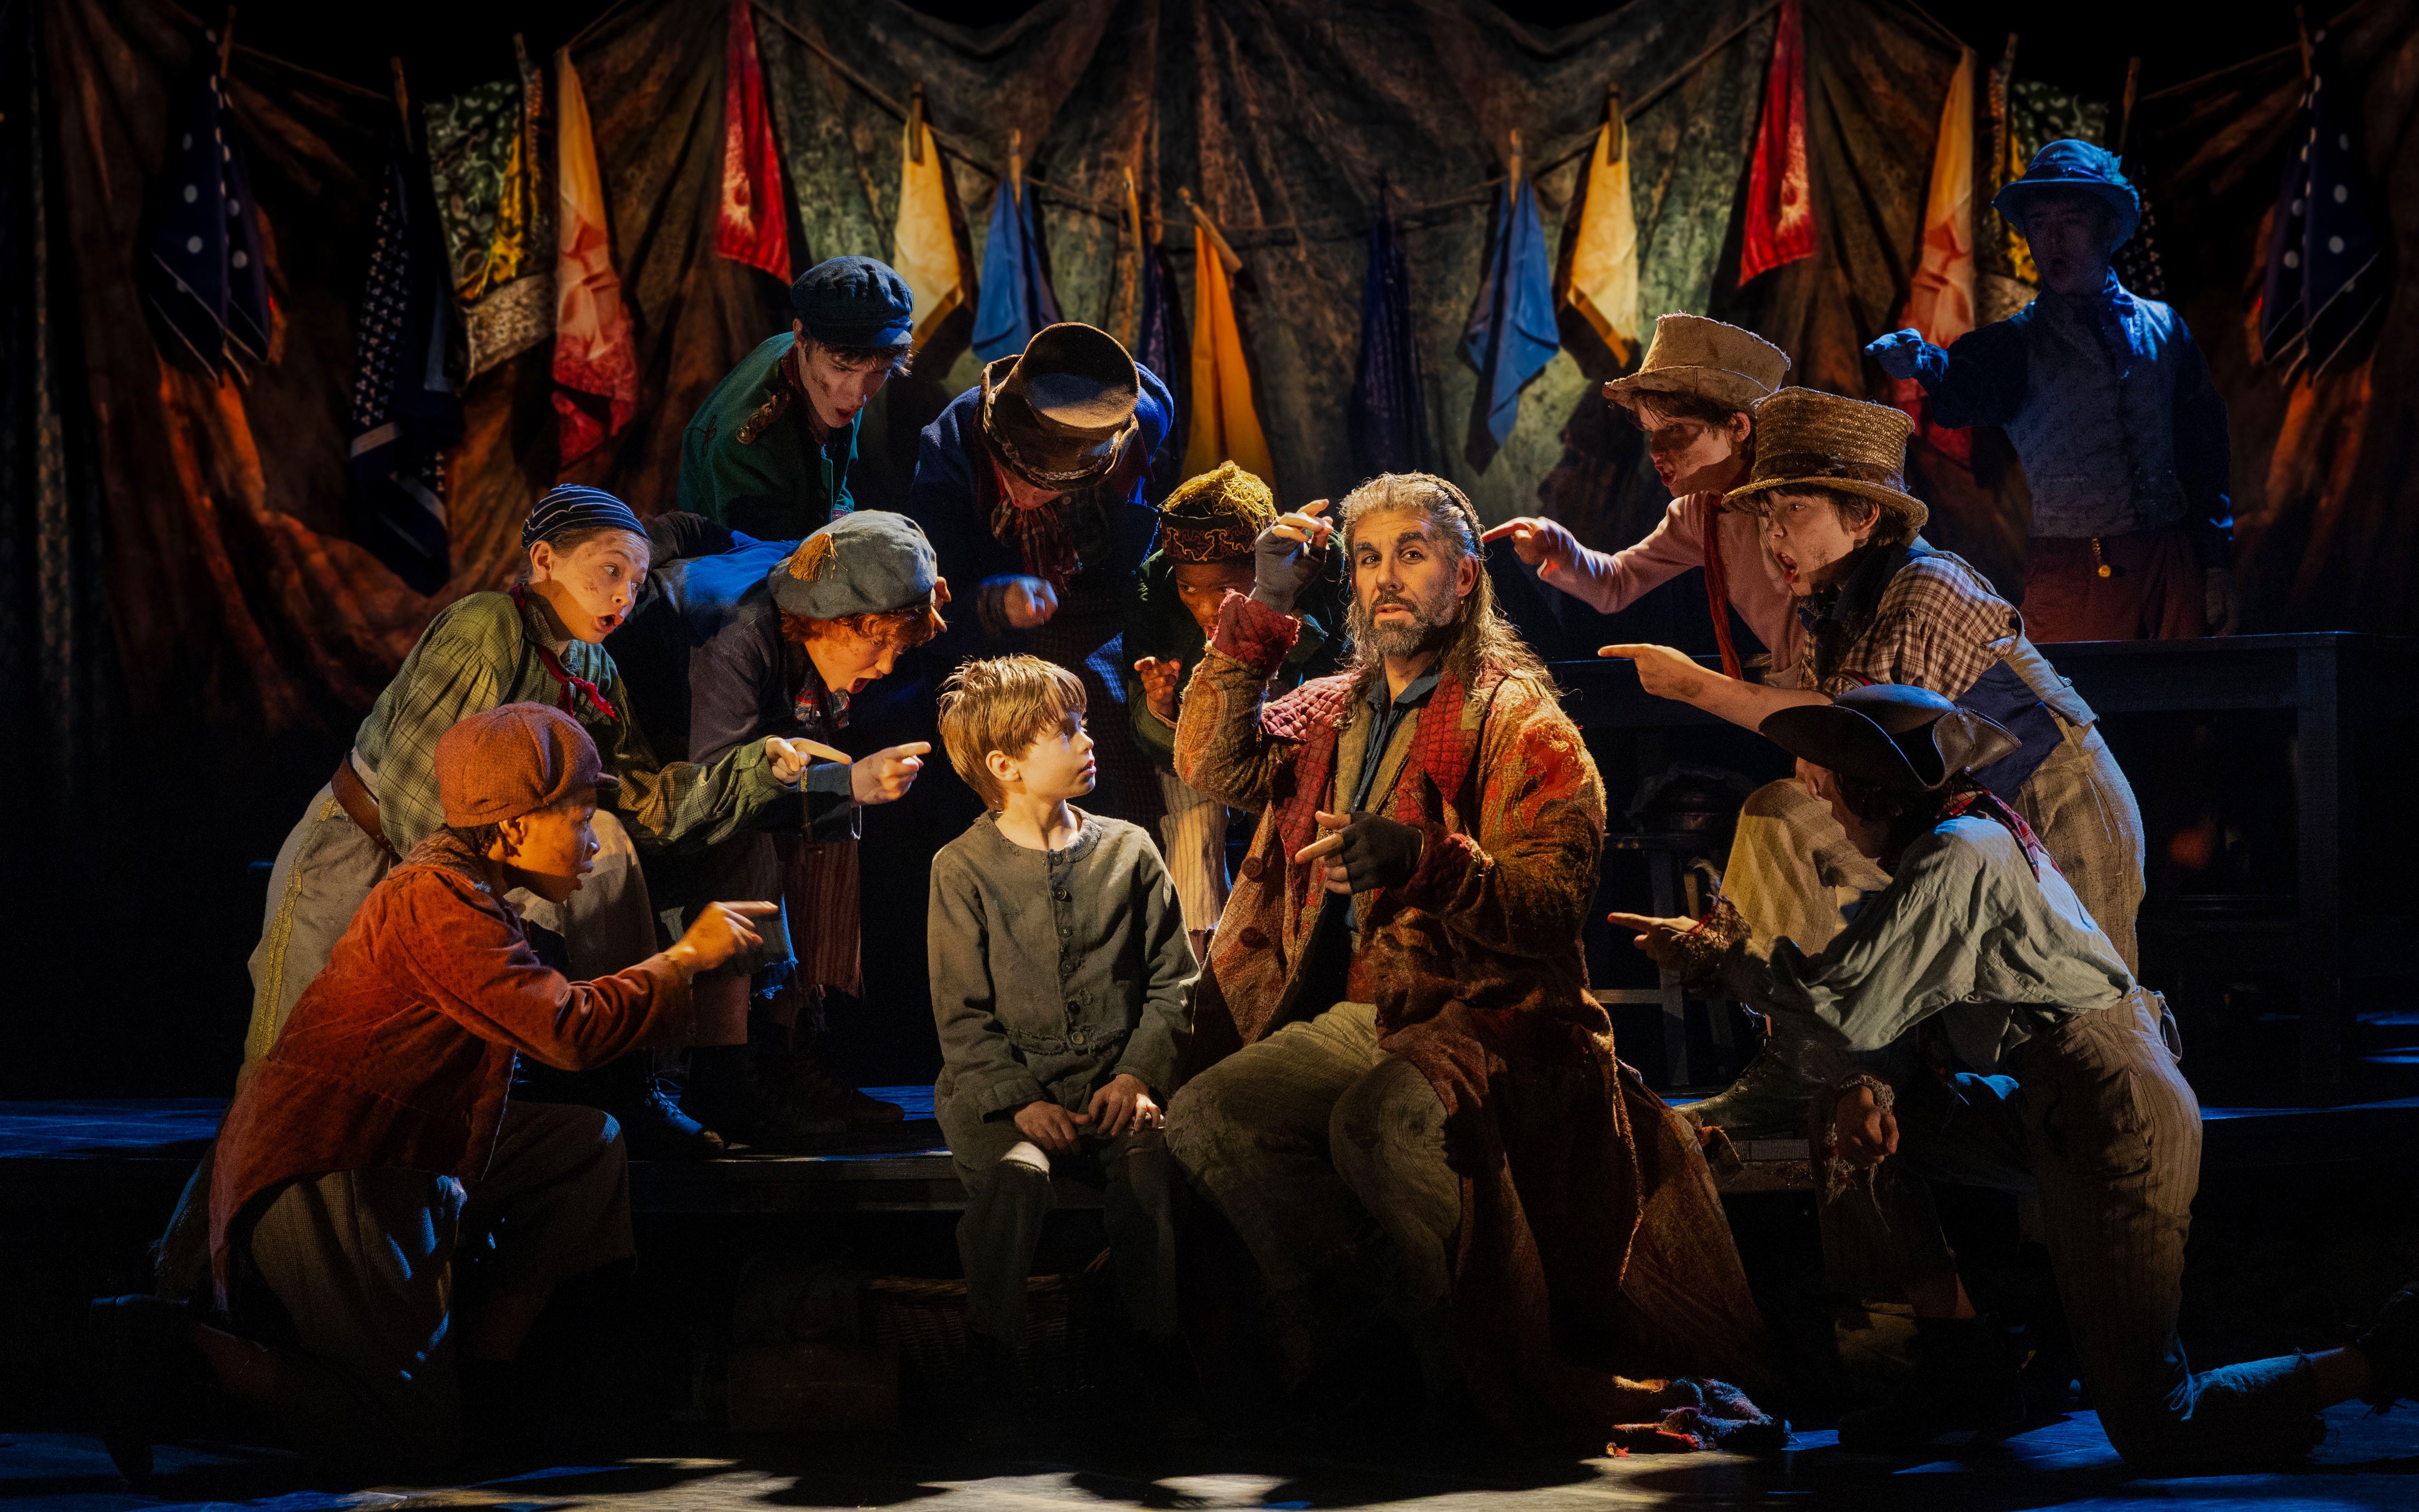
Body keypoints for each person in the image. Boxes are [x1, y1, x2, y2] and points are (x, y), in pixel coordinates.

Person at [1611, 684, 2419, 1470]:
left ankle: (2384, 1354)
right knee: (1863, 1115)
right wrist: (1870, 1085)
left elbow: (1850, 1002)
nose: (1824, 806)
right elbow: (1896, 999)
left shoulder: (1958, 858)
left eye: (1834, 790)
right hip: (2057, 1098)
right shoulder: (1960, 835)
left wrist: (1720, 953)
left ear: (1878, 795)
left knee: (2155, 1422)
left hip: (2113, 1109)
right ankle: (1961, 1361)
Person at [1161, 473, 1777, 1449]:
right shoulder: (1335, 709)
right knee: (1206, 1117)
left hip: (1500, 1014)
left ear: (1463, 577)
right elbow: (1209, 762)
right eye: (1366, 559)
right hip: (1370, 1010)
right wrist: (1267, 601)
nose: (1384, 580)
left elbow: (1546, 909)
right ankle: (1362, 1348)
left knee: (1380, 1126)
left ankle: (1480, 1369)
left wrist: (1423, 859)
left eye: (1411, 554)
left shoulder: (1524, 725)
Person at [94, 704, 778, 1482]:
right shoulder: (436, 900)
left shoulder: (475, 890)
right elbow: (564, 1028)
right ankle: (177, 1348)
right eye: (581, 816)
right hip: (337, 1160)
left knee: (586, 1144)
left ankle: (486, 1376)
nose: (594, 838)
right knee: (409, 1439)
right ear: (513, 825)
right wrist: (683, 960)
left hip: (404, 1138)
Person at [1602, 389, 2149, 1134]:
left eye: (1794, 510)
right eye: (1765, 516)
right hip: (1961, 830)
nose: (1774, 537)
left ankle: (2058, 1217)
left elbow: (1847, 736)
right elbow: (1830, 777)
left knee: (2077, 1060)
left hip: (2060, 812)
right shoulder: (1835, 609)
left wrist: (1697, 685)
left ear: (1863, 516)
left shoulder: (1929, 586)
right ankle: (1813, 1062)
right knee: (1784, 818)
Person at [243, 485, 823, 1154]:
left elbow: (640, 801)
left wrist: (759, 770)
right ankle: (214, 1248)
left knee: (401, 1097)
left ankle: (618, 1095)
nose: (623, 596)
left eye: (636, 582)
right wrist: (483, 922)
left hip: (464, 877)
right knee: (290, 1078)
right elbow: (419, 806)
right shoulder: (487, 628)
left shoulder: (591, 663)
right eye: (610, 570)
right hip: (358, 856)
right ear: (544, 559)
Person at [622, 513, 949, 1146]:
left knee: (831, 822)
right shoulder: (735, 636)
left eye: (899, 650)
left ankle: (781, 1052)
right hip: (644, 784)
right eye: (876, 644)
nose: (885, 667)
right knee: (755, 835)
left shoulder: (797, 562)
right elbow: (721, 789)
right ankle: (725, 1075)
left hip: (695, 767)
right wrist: (845, 786)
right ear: (829, 621)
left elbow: (693, 529)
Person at [927, 655, 1193, 1395]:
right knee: (1020, 1174)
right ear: (1005, 764)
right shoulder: (961, 868)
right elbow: (962, 1014)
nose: (1088, 741)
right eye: (1067, 731)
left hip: (1109, 1085)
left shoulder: (1129, 850)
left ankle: (1155, 1344)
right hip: (1003, 1096)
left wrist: (1138, 1073)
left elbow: (1174, 981)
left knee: (1148, 1166)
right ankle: (995, 1345)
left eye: (1083, 726)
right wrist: (1020, 1099)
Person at [1867, 139, 2238, 641]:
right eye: (2039, 225)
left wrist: (2215, 567)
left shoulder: (2164, 328)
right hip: (2077, 576)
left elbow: (2204, 451)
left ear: (2109, 226)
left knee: (2184, 710)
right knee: (2074, 714)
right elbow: (1963, 387)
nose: (2053, 241)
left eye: (2071, 220)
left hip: (2171, 568)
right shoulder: (2016, 344)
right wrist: (1922, 363)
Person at [906, 321, 1174, 829]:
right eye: (1018, 477)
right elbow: (930, 605)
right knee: (1016, 762)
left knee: (1123, 744)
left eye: (1048, 487)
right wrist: (994, 601)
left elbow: (1130, 564)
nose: (1027, 497)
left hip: (1098, 612)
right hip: (989, 637)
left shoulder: (1132, 423)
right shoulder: (951, 449)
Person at [1484, 314, 1801, 682]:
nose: (1657, 451)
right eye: (1651, 432)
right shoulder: (1699, 513)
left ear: (1736, 428)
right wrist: (1560, 547)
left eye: (1676, 430)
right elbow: (1616, 584)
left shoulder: (1798, 499)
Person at [1125, 461, 1341, 958]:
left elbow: (1337, 694)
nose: (1204, 609)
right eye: (1188, 589)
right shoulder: (1153, 594)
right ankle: (1199, 955)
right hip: (1203, 758)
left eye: (1224, 591)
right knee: (1194, 811)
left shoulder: (1321, 573)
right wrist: (1163, 710)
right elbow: (1160, 736)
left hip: (1295, 755)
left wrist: (1281, 620)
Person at [680, 255, 916, 539]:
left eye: (880, 372)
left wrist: (844, 523)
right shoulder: (744, 447)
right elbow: (765, 565)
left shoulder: (836, 368)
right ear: (800, 337)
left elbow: (834, 487)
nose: (858, 396)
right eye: (842, 368)